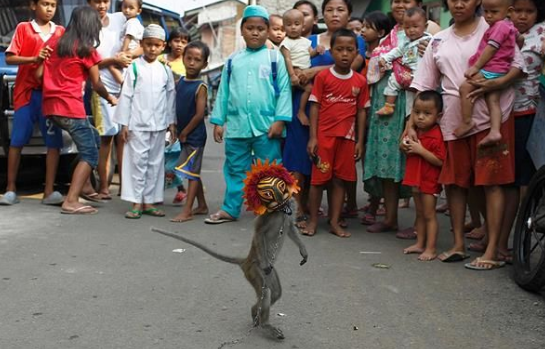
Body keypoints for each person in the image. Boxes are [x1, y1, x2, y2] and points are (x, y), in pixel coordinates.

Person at [410, 0, 525, 269]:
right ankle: (458, 243)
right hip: (453, 119)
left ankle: (493, 251)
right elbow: (424, 84)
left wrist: (493, 83)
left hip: (492, 117)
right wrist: (410, 123)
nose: (459, 3)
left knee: (492, 183)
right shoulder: (439, 40)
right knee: (455, 183)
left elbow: (517, 67)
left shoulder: (497, 27)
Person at [205, 5, 292, 224]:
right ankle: (230, 209)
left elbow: (283, 91)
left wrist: (280, 120)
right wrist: (218, 121)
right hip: (237, 125)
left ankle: (271, 209)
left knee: (269, 169)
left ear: (268, 31)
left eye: (261, 29)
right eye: (250, 28)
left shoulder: (275, 58)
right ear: (242, 30)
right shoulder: (233, 61)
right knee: (235, 169)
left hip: (267, 125)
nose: (255, 32)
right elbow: (224, 92)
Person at [284, 0, 366, 230]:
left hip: (338, 113)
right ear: (322, 15)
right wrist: (301, 75)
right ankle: (301, 210)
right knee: (299, 161)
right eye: (329, 9)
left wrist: (312, 71)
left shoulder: (355, 41)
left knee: (331, 167)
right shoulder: (308, 41)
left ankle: (333, 214)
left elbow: (354, 67)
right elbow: (294, 68)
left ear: (349, 13)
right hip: (303, 103)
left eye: (340, 9)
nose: (334, 14)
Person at [363, 0, 441, 235]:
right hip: (386, 104)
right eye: (396, 0)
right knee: (387, 162)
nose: (400, 4)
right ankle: (390, 218)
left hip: (414, 105)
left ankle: (421, 224)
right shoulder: (391, 33)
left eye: (406, 0)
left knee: (416, 158)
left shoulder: (432, 30)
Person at [39, 6, 118, 215]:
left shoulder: (54, 43)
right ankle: (71, 200)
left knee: (91, 135)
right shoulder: (86, 49)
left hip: (50, 106)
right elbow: (97, 83)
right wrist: (111, 98)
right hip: (70, 108)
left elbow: (41, 72)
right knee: (91, 153)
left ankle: (84, 185)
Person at [302, 29, 369, 238]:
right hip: (324, 138)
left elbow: (361, 111)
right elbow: (314, 106)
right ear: (332, 51)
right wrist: (313, 137)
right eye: (339, 49)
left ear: (357, 52)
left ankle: (334, 221)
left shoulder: (360, 81)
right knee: (318, 181)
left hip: (347, 139)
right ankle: (312, 220)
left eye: (350, 50)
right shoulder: (323, 77)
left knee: (340, 180)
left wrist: (359, 141)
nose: (345, 54)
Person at [0, 0, 65, 206]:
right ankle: (11, 188)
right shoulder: (23, 28)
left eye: (53, 5)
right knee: (17, 140)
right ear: (33, 5)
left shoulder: (60, 31)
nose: (49, 9)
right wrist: (34, 59)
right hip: (25, 93)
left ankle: (48, 191)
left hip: (50, 95)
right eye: (45, 4)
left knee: (53, 143)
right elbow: (10, 58)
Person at [113, 24, 176, 219]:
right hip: (137, 125)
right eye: (148, 45)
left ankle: (149, 201)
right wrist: (124, 124)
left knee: (155, 164)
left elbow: (170, 98)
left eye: (157, 45)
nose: (152, 49)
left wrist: (172, 123)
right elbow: (127, 96)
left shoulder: (165, 71)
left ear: (163, 46)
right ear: (142, 44)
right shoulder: (134, 67)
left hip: (158, 125)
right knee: (137, 163)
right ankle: (135, 202)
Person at [455, 0, 518, 147]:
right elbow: (519, 38)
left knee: (464, 88)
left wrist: (476, 67)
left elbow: (491, 48)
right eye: (486, 11)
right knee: (493, 102)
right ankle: (495, 131)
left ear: (508, 11)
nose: (489, 16)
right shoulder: (509, 26)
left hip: (491, 68)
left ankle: (467, 121)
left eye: (494, 12)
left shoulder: (499, 26)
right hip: (501, 70)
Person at [88, 0, 133, 201]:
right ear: (89, 3)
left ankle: (125, 187)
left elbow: (141, 45)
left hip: (125, 88)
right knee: (106, 139)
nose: (102, 5)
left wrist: (127, 55)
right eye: (97, 1)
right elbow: (89, 62)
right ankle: (104, 187)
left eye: (105, 1)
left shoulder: (121, 18)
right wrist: (114, 61)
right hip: (101, 89)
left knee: (123, 138)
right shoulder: (86, 24)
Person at [401, 91, 446, 261]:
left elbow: (440, 160)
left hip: (429, 180)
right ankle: (420, 243)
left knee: (429, 214)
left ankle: (431, 248)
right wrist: (405, 145)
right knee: (419, 213)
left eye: (427, 114)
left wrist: (421, 150)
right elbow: (402, 146)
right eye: (417, 112)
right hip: (415, 178)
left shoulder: (436, 134)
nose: (420, 117)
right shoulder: (414, 132)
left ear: (438, 115)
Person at [170, 41, 210, 223]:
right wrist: (174, 127)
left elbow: (199, 114)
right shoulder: (180, 82)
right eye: (189, 58)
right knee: (192, 170)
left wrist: (184, 131)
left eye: (197, 60)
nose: (192, 63)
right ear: (183, 59)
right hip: (184, 133)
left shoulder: (200, 87)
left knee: (191, 172)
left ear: (204, 64)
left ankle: (187, 211)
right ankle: (201, 205)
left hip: (194, 135)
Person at [359, 11, 393, 226]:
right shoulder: (360, 53)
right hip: (363, 111)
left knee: (378, 158)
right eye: (362, 26)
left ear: (380, 32)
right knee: (365, 158)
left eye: (368, 27)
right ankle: (372, 199)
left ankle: (375, 203)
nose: (362, 30)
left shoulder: (385, 56)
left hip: (379, 111)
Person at [376, 7, 432, 116]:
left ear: (425, 27)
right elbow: (397, 51)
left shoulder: (429, 41)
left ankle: (414, 116)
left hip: (421, 76)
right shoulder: (406, 42)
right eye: (407, 27)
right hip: (407, 73)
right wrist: (385, 58)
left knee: (417, 102)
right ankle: (389, 106)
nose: (411, 30)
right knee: (392, 80)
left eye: (415, 26)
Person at [158, 27, 191, 205]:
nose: (179, 45)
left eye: (183, 41)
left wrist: (173, 74)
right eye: (176, 40)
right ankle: (176, 189)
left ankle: (183, 188)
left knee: (175, 153)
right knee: (161, 153)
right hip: (159, 113)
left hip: (180, 115)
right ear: (169, 42)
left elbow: (187, 85)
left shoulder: (188, 62)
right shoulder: (159, 60)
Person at [279, 9, 324, 126]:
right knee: (294, 92)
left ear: (303, 26)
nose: (293, 27)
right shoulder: (286, 43)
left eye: (296, 24)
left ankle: (298, 112)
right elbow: (287, 59)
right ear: (284, 28)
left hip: (304, 72)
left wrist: (317, 51)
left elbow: (309, 54)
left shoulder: (306, 42)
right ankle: (294, 113)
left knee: (305, 90)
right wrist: (292, 75)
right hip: (294, 71)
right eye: (289, 25)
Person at [107, 0, 144, 85]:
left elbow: (128, 37)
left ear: (138, 11)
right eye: (125, 7)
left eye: (131, 8)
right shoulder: (131, 22)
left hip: (128, 50)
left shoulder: (132, 22)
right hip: (131, 51)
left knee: (112, 66)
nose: (127, 10)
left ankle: (124, 85)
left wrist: (123, 52)